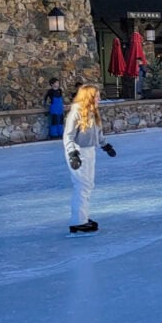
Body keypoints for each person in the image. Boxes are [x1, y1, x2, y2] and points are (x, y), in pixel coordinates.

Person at [63, 84, 115, 236]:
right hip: (78, 152)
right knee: (82, 185)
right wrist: (73, 154)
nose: (99, 98)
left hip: (90, 150)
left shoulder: (93, 112)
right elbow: (68, 136)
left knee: (88, 185)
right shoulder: (76, 113)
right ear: (88, 97)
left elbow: (98, 132)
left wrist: (105, 146)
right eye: (96, 96)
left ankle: (82, 217)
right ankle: (78, 222)